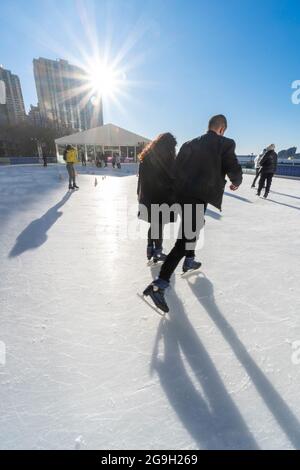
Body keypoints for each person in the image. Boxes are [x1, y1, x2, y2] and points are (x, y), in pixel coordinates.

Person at [142, 115, 243, 313]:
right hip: (199, 197)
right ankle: (159, 284)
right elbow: (233, 167)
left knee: (194, 228)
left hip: (182, 196)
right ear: (221, 128)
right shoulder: (225, 143)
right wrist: (236, 181)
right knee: (186, 238)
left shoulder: (189, 144)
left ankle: (189, 259)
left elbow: (176, 169)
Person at [137, 133, 178, 264]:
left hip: (147, 196)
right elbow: (172, 179)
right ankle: (158, 251)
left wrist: (140, 195)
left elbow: (142, 180)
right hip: (162, 198)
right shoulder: (168, 159)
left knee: (154, 224)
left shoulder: (146, 156)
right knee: (158, 225)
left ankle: (150, 248)